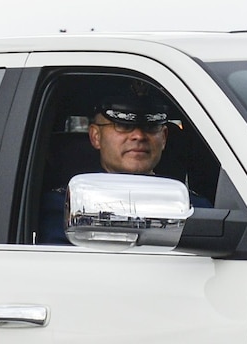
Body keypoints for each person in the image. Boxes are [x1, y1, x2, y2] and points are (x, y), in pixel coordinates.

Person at [37, 84, 208, 244]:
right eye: (123, 125)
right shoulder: (66, 206)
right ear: (96, 137)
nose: (139, 136)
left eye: (150, 127)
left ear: (163, 138)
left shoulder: (194, 209)